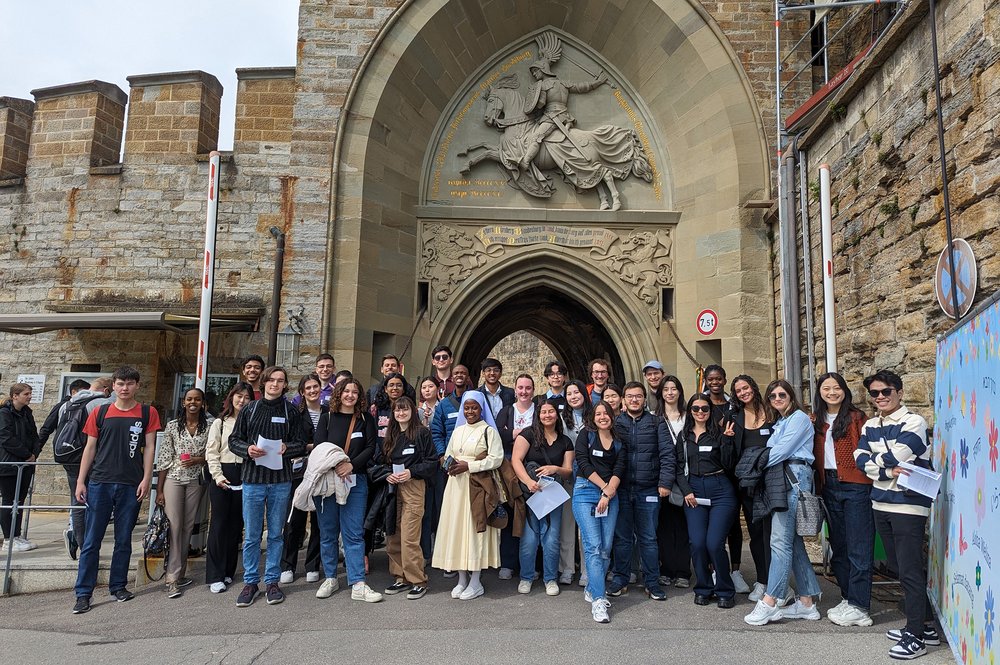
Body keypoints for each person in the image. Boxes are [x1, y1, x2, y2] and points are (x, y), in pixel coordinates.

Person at [855, 370, 938, 659]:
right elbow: (859, 459)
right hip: (881, 503)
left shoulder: (914, 422)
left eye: (886, 392)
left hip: (908, 506)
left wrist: (880, 463)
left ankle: (916, 637)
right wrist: (887, 470)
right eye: (875, 393)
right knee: (898, 568)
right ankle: (924, 625)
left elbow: (900, 454)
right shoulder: (869, 425)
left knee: (910, 571)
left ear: (899, 392)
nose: (880, 397)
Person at [72, 366, 161, 614]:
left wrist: (145, 478)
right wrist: (81, 481)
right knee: (91, 541)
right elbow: (90, 448)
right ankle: (83, 593)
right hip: (100, 482)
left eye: (130, 384)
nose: (125, 388)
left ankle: (118, 586)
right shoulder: (100, 412)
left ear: (137, 386)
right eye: (120, 384)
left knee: (123, 539)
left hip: (130, 484)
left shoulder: (147, 412)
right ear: (113, 386)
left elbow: (150, 447)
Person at [228, 366, 308, 608]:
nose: (275, 384)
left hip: (280, 481)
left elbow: (301, 443)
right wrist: (247, 450)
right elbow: (234, 440)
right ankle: (251, 582)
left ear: (285, 385)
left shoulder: (291, 411)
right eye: (271, 380)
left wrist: (288, 448)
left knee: (275, 534)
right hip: (253, 480)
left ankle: (272, 581)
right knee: (252, 535)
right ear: (264, 383)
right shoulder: (249, 410)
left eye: (280, 380)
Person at [744, 380, 822, 626]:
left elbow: (781, 451)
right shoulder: (780, 423)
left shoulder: (798, 418)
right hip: (783, 478)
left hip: (793, 478)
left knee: (779, 542)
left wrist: (756, 462)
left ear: (791, 396)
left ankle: (770, 601)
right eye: (773, 395)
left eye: (782, 394)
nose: (777, 398)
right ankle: (807, 602)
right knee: (793, 542)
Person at [311, 378, 382, 602]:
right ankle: (331, 577)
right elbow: (320, 448)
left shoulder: (364, 419)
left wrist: (351, 464)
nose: (350, 395)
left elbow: (371, 447)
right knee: (328, 532)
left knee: (353, 533)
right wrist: (336, 465)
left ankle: (358, 582)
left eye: (354, 391)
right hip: (328, 481)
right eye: (346, 391)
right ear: (339, 394)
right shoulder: (327, 418)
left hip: (355, 481)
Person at [813, 372, 874, 627]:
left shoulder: (857, 418)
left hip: (856, 485)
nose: (831, 392)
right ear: (820, 392)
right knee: (839, 547)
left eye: (836, 388)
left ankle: (861, 606)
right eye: (826, 388)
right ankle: (849, 598)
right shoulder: (816, 420)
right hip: (828, 486)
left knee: (859, 547)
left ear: (844, 390)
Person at [431, 390, 504, 600]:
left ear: (481, 409)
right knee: (457, 530)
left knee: (475, 531)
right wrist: (448, 463)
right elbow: (450, 452)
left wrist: (469, 466)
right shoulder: (458, 430)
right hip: (456, 487)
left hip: (477, 486)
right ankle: (461, 578)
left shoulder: (488, 431)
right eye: (467, 407)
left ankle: (475, 581)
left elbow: (496, 459)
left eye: (474, 407)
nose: (470, 411)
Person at [608, 381, 674, 601]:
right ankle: (620, 579)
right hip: (622, 489)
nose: (634, 399)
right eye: (630, 396)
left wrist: (664, 483)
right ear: (624, 400)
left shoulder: (657, 423)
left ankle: (652, 582)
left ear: (645, 399)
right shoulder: (615, 424)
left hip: (649, 489)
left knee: (648, 538)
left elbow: (667, 454)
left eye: (638, 396)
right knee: (622, 538)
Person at [676, 393, 739, 608]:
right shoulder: (683, 437)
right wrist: (686, 491)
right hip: (693, 492)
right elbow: (678, 467)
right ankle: (703, 587)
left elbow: (729, 464)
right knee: (698, 543)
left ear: (710, 411)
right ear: (690, 411)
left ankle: (725, 589)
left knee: (714, 543)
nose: (700, 412)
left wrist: (728, 441)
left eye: (705, 409)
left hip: (720, 489)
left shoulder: (719, 433)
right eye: (696, 409)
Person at [512, 398, 574, 596]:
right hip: (531, 493)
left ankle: (550, 579)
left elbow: (568, 471)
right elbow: (516, 460)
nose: (547, 415)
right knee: (530, 538)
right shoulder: (528, 434)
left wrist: (555, 468)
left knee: (552, 538)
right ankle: (526, 577)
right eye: (543, 412)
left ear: (557, 414)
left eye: (551, 411)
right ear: (538, 415)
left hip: (552, 495)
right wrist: (528, 482)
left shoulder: (565, 441)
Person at [379, 396, 438, 600]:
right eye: (397, 410)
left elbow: (432, 463)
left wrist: (412, 472)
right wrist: (388, 473)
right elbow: (382, 461)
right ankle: (400, 577)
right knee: (393, 535)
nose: (401, 413)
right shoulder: (392, 435)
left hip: (413, 487)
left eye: (404, 410)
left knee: (409, 537)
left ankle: (418, 580)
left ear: (412, 411)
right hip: (393, 488)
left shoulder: (421, 433)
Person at [573, 400, 626, 623]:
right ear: (592, 417)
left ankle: (594, 587)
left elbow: (620, 468)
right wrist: (603, 488)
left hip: (610, 496)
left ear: (612, 416)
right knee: (593, 547)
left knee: (605, 547)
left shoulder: (619, 441)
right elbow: (583, 464)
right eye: (598, 413)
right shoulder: (586, 436)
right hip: (585, 492)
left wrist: (607, 493)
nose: (603, 416)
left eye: (606, 413)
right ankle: (598, 600)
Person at [156, 387, 210, 598]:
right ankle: (172, 578)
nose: (193, 402)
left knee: (188, 527)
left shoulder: (210, 425)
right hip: (174, 479)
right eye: (189, 399)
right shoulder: (172, 426)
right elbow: (164, 457)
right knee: (174, 526)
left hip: (196, 479)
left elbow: (214, 451)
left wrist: (199, 459)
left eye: (197, 399)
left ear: (203, 403)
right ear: (183, 402)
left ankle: (180, 573)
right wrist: (159, 489)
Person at [54, 377, 113, 559]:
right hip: (91, 459)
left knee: (77, 501)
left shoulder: (67, 403)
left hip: (69, 457)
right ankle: (88, 546)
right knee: (96, 502)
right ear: (106, 389)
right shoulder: (102, 403)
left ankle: (81, 544)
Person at [727, 374, 772, 600]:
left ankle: (778, 583)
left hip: (773, 482)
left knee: (775, 534)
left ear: (753, 387)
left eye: (746, 388)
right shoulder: (735, 417)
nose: (743, 392)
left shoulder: (771, 411)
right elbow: (730, 452)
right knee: (756, 534)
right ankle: (762, 581)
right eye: (738, 391)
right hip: (748, 485)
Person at [205, 382, 253, 593]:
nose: (241, 401)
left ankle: (228, 571)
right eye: (238, 396)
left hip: (245, 473)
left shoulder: (252, 422)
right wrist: (217, 476)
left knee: (236, 525)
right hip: (223, 474)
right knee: (218, 524)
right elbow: (211, 451)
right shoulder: (220, 423)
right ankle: (214, 574)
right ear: (231, 397)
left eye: (246, 397)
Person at [281, 374, 324, 586]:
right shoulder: (296, 414)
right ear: (302, 391)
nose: (313, 390)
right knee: (294, 518)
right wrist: (310, 447)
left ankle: (312, 565)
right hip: (298, 472)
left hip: (322, 471)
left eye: (315, 386)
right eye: (308, 387)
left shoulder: (328, 412)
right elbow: (291, 443)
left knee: (318, 519)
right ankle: (288, 565)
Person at [427, 364, 470, 567]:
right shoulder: (444, 405)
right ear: (452, 378)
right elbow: (437, 432)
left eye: (463, 373)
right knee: (449, 510)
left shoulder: (475, 401)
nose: (459, 376)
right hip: (449, 466)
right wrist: (442, 455)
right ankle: (449, 558)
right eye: (456, 374)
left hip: (471, 465)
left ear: (468, 377)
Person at [494, 373, 536, 578]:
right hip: (509, 467)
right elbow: (497, 434)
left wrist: (511, 432)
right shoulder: (506, 410)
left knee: (534, 515)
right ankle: (508, 563)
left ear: (533, 391)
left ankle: (534, 565)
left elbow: (543, 433)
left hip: (533, 466)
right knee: (511, 513)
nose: (524, 392)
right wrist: (519, 433)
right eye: (520, 388)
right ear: (515, 389)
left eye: (528, 388)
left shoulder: (538, 411)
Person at [654, 375, 691, 589]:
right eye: (666, 389)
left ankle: (683, 571)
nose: (670, 392)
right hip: (664, 478)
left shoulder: (689, 416)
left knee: (684, 526)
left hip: (686, 477)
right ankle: (666, 569)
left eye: (673, 388)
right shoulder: (654, 417)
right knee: (665, 526)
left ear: (679, 391)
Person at [0, 383, 41, 553]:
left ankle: (16, 535)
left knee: (20, 501)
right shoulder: (4, 414)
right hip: (9, 464)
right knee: (10, 502)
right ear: (15, 396)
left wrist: (34, 453)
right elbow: (6, 437)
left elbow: (34, 435)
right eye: (26, 394)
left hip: (25, 464)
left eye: (30, 393)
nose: (30, 396)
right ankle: (8, 539)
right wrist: (25, 454)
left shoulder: (26, 413)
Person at [559, 380, 592, 585]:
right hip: (567, 477)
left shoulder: (594, 415)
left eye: (576, 392)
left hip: (589, 477)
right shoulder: (561, 419)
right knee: (566, 525)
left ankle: (588, 571)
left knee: (586, 528)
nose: (573, 396)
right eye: (569, 393)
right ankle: (567, 568)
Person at [37, 378, 89, 448]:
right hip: (64, 447)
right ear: (74, 392)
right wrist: (36, 450)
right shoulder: (62, 406)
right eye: (84, 393)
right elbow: (47, 428)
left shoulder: (86, 406)